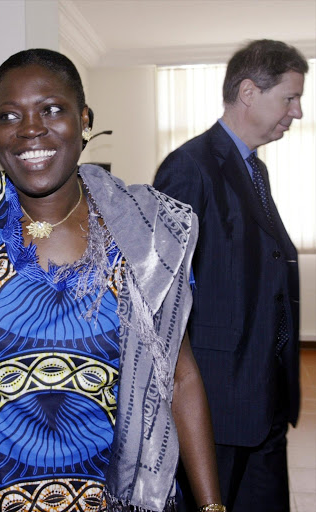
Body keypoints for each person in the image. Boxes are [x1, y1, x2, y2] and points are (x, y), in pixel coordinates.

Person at [0, 48, 225, 512]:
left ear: (84, 118)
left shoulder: (147, 231)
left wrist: (212, 505)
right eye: (9, 115)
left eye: (51, 109)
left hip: (107, 492)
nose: (30, 128)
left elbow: (179, 374)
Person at [153, 39, 308, 512]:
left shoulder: (253, 169)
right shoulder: (189, 168)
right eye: (290, 97)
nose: (297, 112)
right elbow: (160, 293)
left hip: (264, 396)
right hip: (218, 400)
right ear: (248, 92)